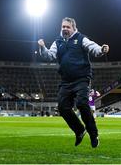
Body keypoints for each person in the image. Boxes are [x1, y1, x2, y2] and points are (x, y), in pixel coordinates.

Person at [38, 17, 109, 148]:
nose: (65, 29)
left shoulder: (81, 38)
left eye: (67, 27)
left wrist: (101, 49)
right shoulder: (57, 41)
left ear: (74, 28)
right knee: (62, 107)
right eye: (63, 27)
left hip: (82, 79)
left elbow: (93, 47)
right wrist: (42, 48)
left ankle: (93, 134)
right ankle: (80, 130)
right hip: (66, 81)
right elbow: (49, 56)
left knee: (82, 103)